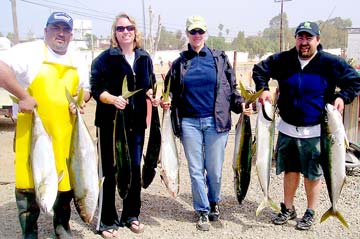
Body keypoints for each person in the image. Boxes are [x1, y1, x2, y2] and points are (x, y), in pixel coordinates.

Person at [252, 21, 360, 230]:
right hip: (287, 128)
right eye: (300, 37)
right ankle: (288, 208)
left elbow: (355, 81)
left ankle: (310, 211)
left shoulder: (330, 62)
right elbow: (259, 70)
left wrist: (342, 97)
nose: (304, 42)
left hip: (316, 130)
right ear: (296, 39)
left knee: (313, 173)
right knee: (290, 170)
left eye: (309, 38)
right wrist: (263, 88)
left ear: (318, 40)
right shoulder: (283, 59)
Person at [0, 12, 91, 238]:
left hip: (65, 133)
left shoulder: (77, 58)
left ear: (71, 34)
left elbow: (86, 89)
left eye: (65, 29)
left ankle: (62, 228)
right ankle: (29, 232)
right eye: (55, 27)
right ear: (46, 30)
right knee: (29, 181)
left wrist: (81, 101)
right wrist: (23, 96)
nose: (61, 33)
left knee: (65, 183)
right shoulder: (28, 51)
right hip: (33, 132)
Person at [160, 15, 252, 231]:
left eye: (200, 31)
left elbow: (231, 90)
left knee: (215, 170)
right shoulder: (180, 63)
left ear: (206, 34)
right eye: (193, 32)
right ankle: (202, 210)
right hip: (189, 123)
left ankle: (214, 202)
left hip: (215, 122)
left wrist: (241, 106)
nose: (197, 35)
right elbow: (169, 92)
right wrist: (166, 101)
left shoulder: (219, 58)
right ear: (187, 34)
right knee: (195, 169)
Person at [90, 13, 158, 238]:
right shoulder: (104, 59)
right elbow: (96, 89)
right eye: (120, 29)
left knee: (134, 169)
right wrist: (112, 99)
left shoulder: (144, 58)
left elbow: (148, 85)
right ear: (115, 33)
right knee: (109, 171)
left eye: (129, 28)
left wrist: (153, 97)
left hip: (136, 124)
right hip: (110, 124)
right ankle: (106, 220)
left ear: (135, 31)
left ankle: (131, 215)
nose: (125, 32)